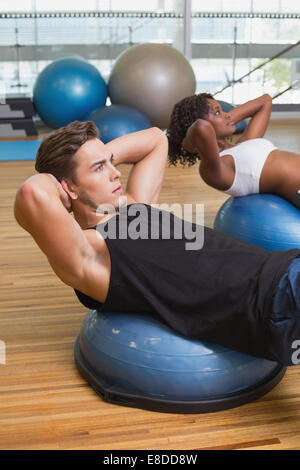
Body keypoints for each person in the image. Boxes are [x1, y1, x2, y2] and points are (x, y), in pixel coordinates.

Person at [14, 120, 300, 366]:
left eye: (111, 162)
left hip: (284, 267)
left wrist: (96, 154)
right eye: (100, 168)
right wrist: (61, 182)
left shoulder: (134, 206)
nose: (116, 173)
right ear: (67, 187)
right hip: (273, 303)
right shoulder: (92, 253)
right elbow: (32, 194)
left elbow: (154, 139)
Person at [167, 93, 300, 208]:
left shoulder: (246, 141)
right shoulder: (217, 168)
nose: (228, 115)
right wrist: (187, 145)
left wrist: (223, 118)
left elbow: (265, 101)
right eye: (218, 112)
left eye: (224, 111)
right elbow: (201, 127)